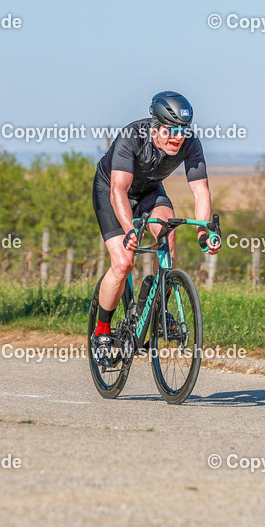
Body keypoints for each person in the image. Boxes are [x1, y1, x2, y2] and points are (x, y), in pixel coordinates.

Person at [90, 90, 220, 358]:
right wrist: (129, 231)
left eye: (183, 131)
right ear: (156, 126)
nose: (178, 137)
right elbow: (119, 191)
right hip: (112, 192)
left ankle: (158, 307)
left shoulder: (190, 143)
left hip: (150, 192)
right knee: (123, 263)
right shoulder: (132, 137)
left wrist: (204, 232)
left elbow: (201, 192)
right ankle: (102, 331)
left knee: (167, 234)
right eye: (171, 130)